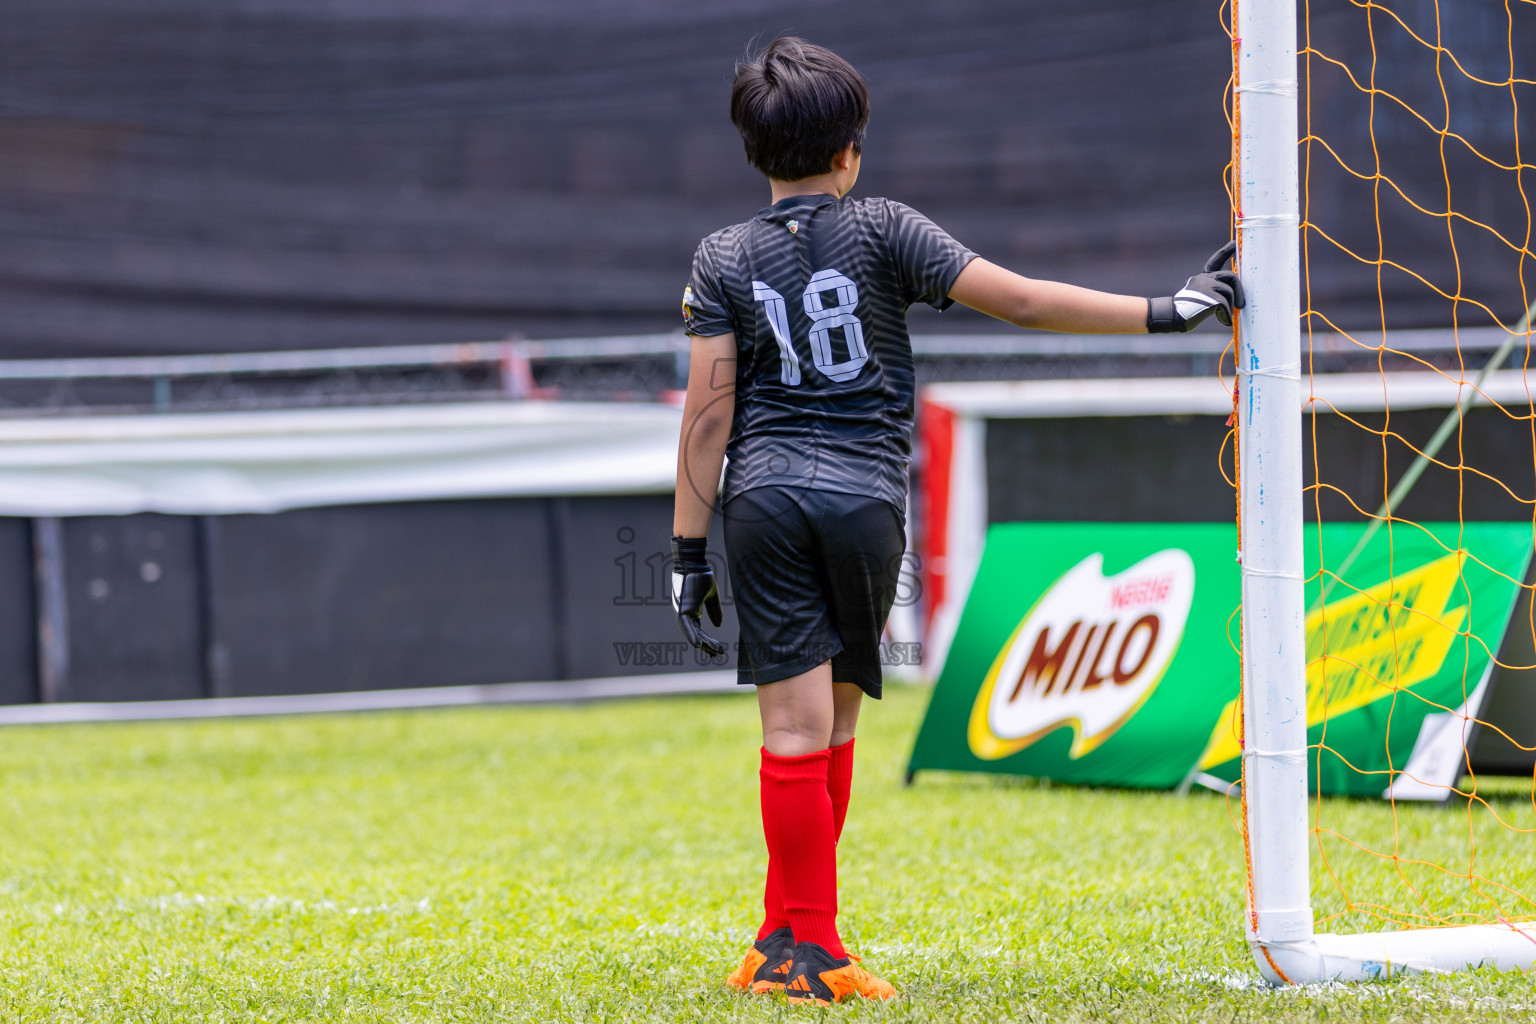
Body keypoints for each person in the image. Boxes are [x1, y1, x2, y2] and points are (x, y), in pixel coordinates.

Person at [669, 36, 1243, 1006]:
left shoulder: (721, 255)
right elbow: (1019, 301)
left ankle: (794, 939)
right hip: (862, 502)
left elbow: (708, 415)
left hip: (764, 500)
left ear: (752, 152)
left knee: (790, 730)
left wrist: (688, 547)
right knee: (835, 719)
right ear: (852, 150)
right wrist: (1168, 310)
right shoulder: (886, 227)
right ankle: (798, 940)